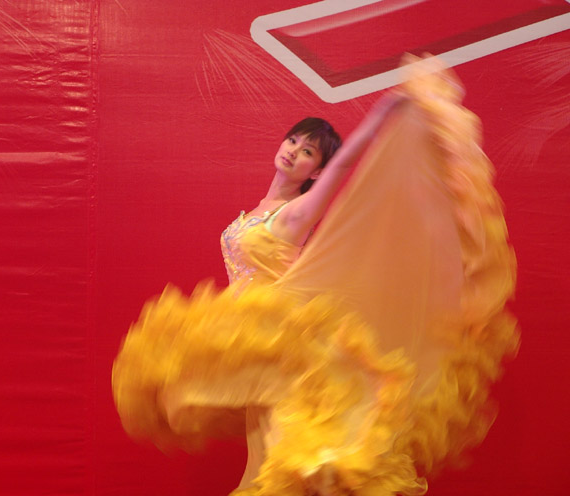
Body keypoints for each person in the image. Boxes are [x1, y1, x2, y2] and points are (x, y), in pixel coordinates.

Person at [112, 56, 519, 496]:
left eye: (308, 151)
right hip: (252, 347)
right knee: (269, 458)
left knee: (290, 459)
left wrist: (379, 118)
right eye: (293, 140)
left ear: (317, 170)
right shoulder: (260, 210)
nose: (293, 151)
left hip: (280, 349)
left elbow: (342, 169)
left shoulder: (296, 213)